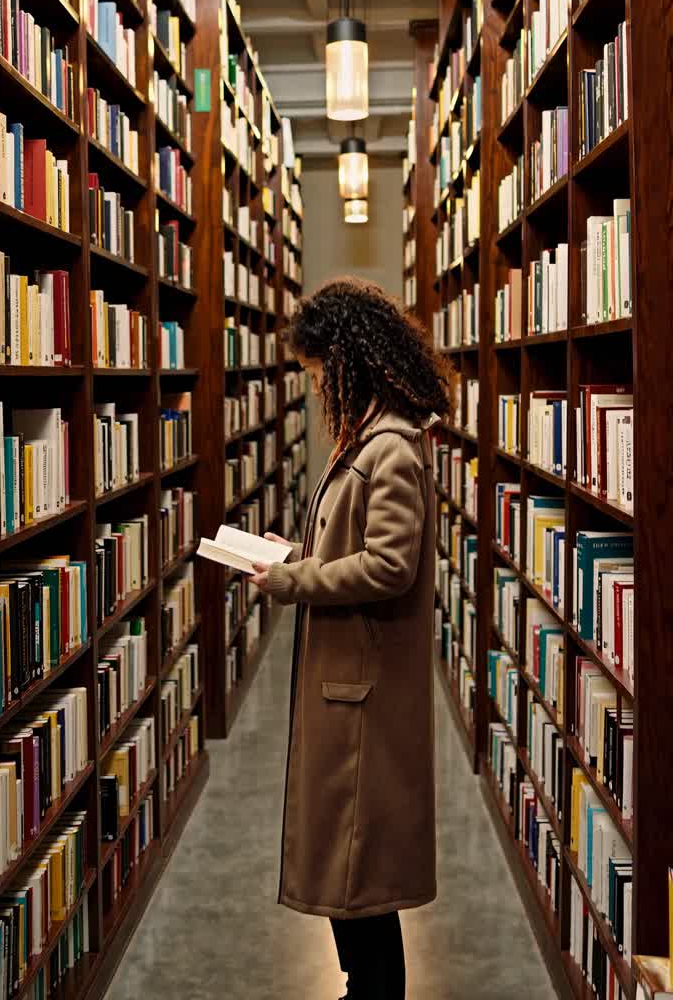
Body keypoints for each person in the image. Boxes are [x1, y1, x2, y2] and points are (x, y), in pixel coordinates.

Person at [249, 277, 450, 1000]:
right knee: (347, 872)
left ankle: (373, 993)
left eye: (315, 371)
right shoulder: (367, 438)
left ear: (345, 361)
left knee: (362, 875)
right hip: (345, 682)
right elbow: (350, 543)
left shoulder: (390, 448)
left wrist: (295, 581)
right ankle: (361, 988)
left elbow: (390, 566)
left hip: (361, 692)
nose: (312, 387)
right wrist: (293, 556)